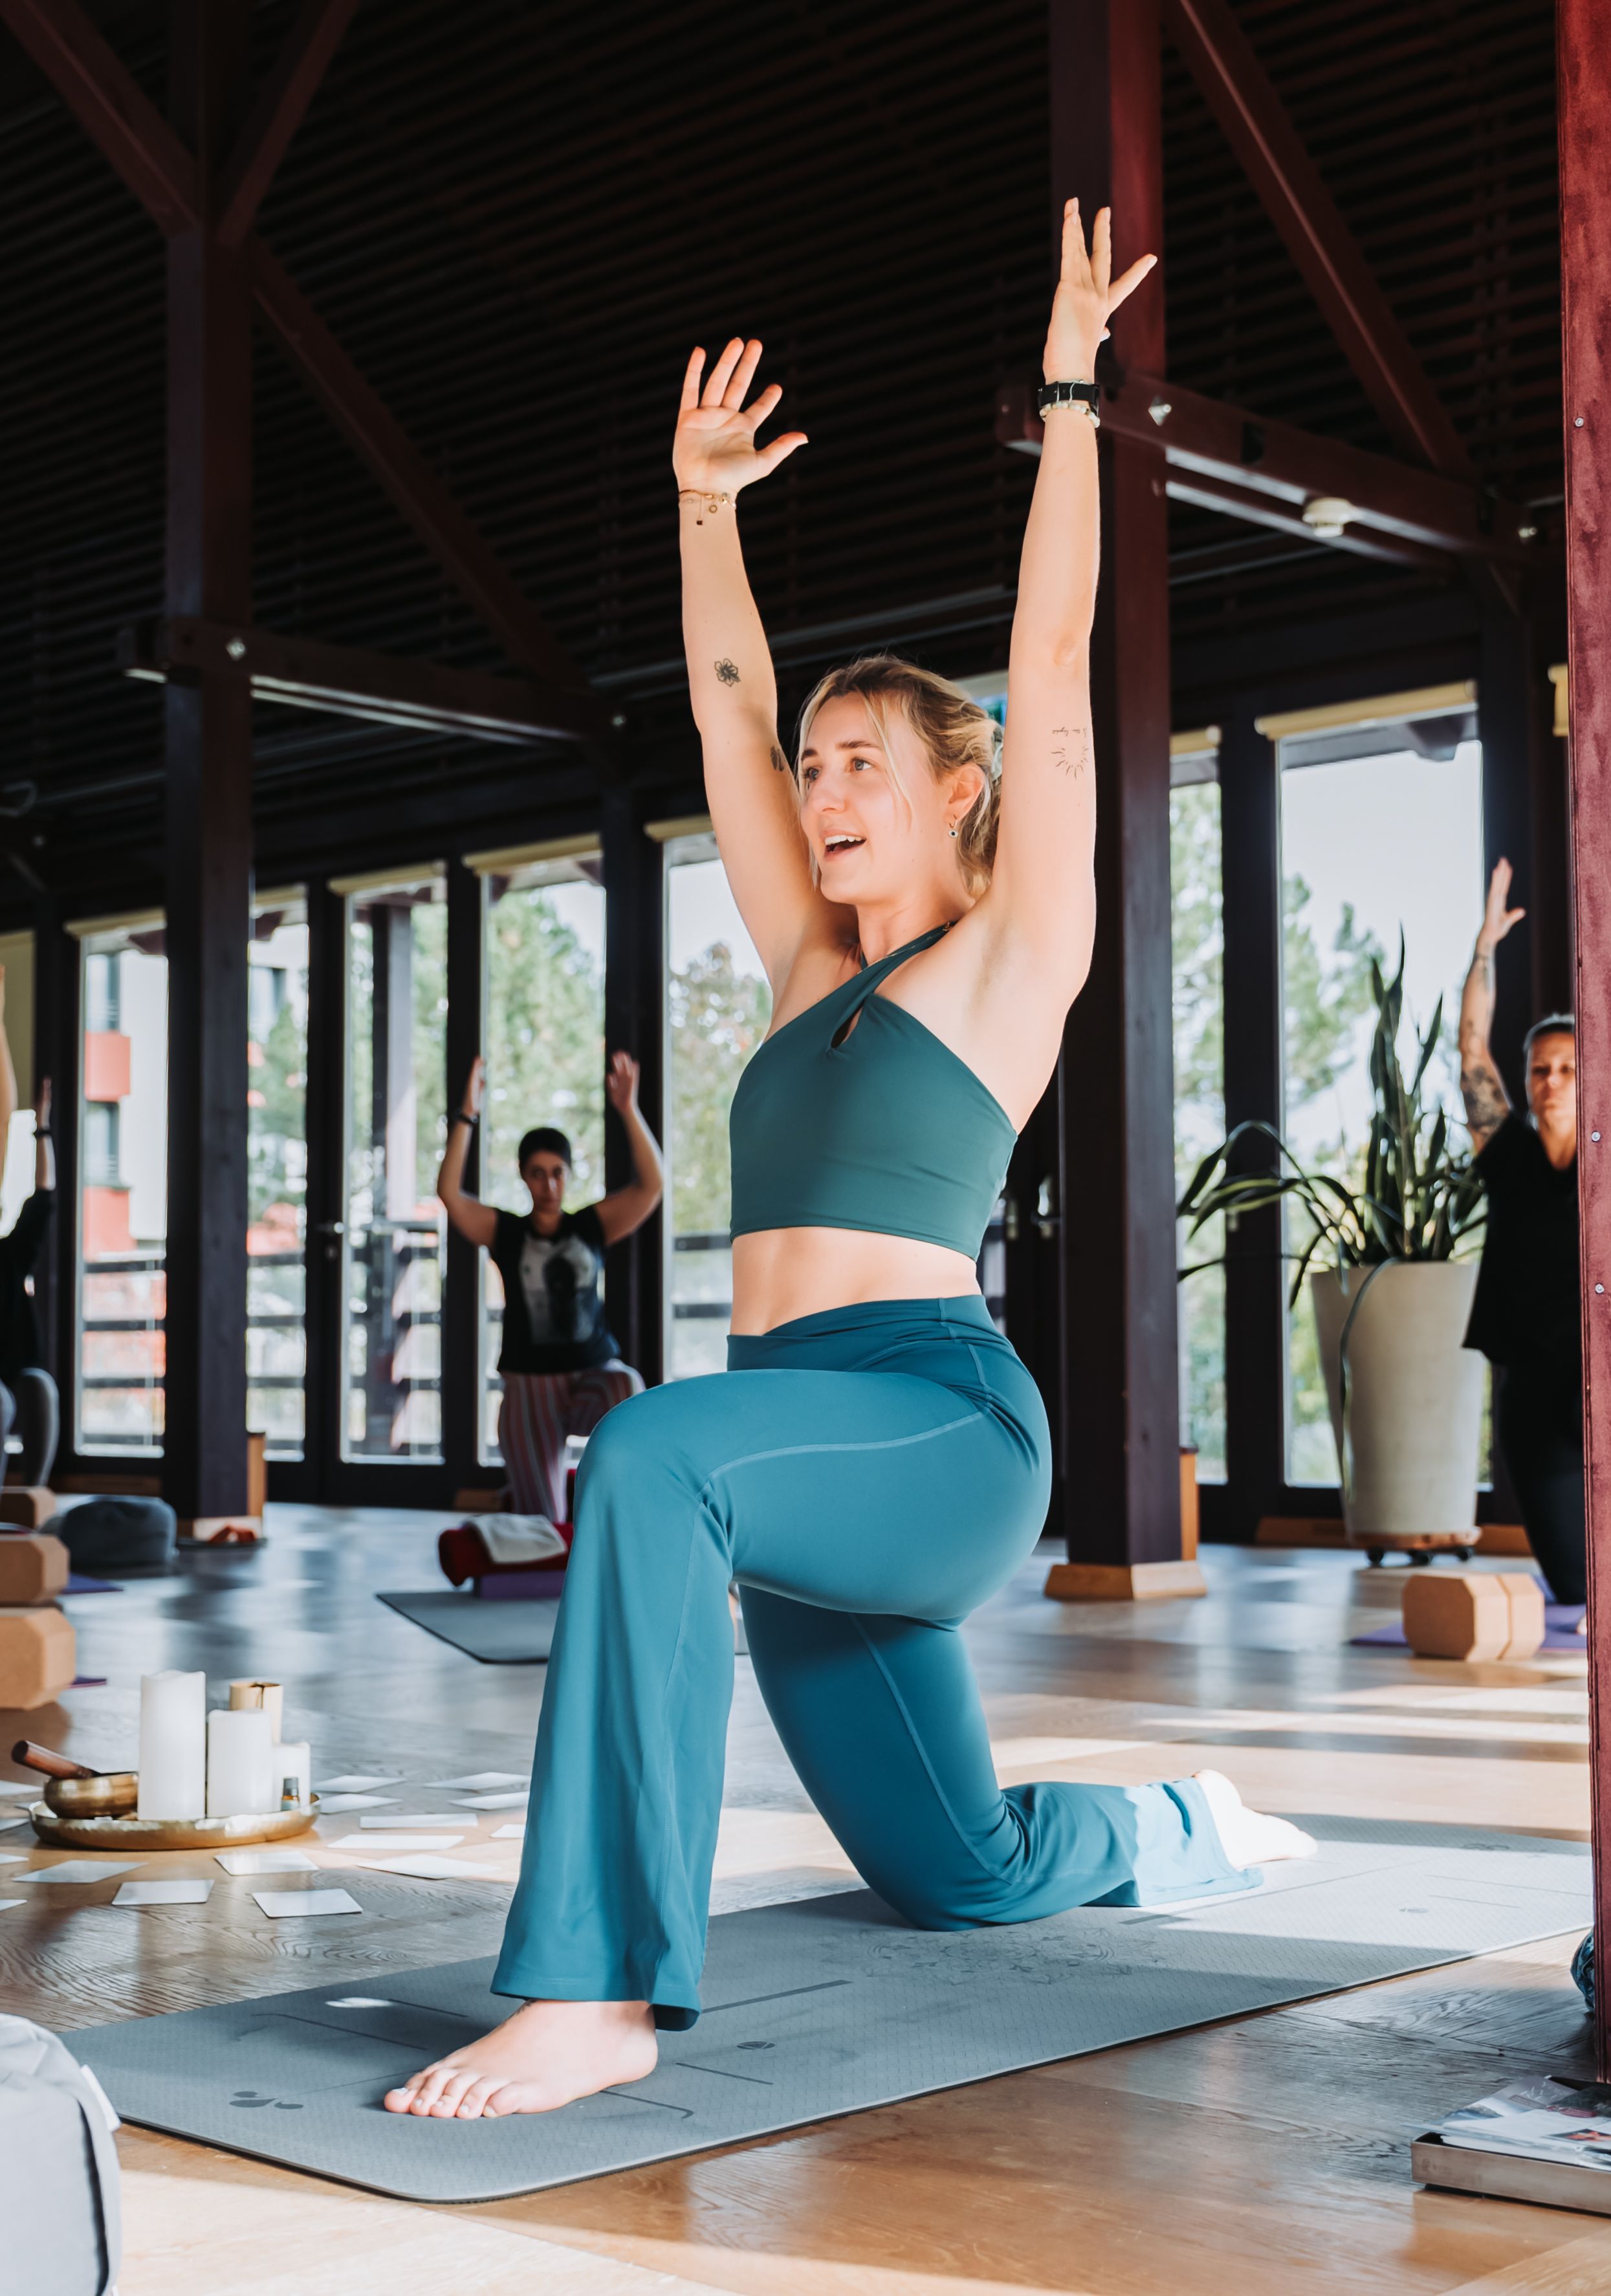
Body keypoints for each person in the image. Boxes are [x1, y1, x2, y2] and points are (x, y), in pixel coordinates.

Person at [386, 202, 1313, 2125]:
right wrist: (701, 505)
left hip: (933, 1427)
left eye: (859, 762)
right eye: (814, 768)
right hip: (791, 1436)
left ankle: (595, 1989)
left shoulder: (1010, 952)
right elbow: (724, 705)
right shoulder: (809, 965)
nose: (818, 790)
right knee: (955, 1869)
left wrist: (1072, 395)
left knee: (643, 1451)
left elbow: (1052, 650)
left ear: (960, 786)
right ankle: (1174, 1822)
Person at [437, 1050, 663, 1522]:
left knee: (628, 1384)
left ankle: (612, 1501)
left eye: (557, 1172)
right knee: (543, 1522)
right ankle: (523, 1497)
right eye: (537, 1174)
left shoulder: (590, 1226)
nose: (549, 1185)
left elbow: (651, 1185)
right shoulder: (506, 1232)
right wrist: (467, 1114)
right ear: (524, 1177)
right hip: (529, 1390)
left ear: (569, 1174)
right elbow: (449, 1195)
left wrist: (627, 1109)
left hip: (590, 1380)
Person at [1459, 858, 1584, 1616]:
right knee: (1576, 1586)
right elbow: (1472, 1047)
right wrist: (1485, 945)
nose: (1552, 1081)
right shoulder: (1506, 1155)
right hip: (1533, 1398)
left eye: (1568, 1067)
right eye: (1541, 1068)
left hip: (1607, 1390)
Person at [0, 1073, 58, 1485]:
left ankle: (33, 1496)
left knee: (40, 1388)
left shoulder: (8, 1255)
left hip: (14, 1369)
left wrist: (42, 1128)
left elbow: (44, 1196)